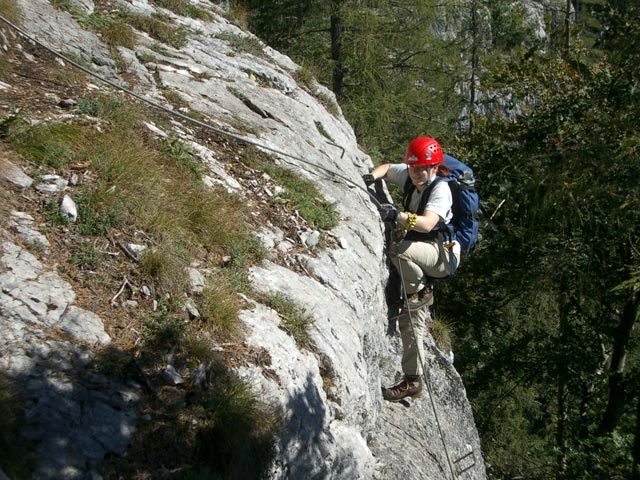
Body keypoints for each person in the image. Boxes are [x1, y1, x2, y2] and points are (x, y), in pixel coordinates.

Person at [363, 136, 460, 402]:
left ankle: (418, 290)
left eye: (421, 169)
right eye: (413, 167)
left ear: (434, 167)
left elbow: (428, 224)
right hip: (423, 251)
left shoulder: (441, 190)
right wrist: (370, 178)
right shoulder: (410, 174)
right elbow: (385, 167)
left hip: (442, 255)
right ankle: (412, 380)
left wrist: (398, 216)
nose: (415, 173)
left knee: (398, 250)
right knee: (410, 318)